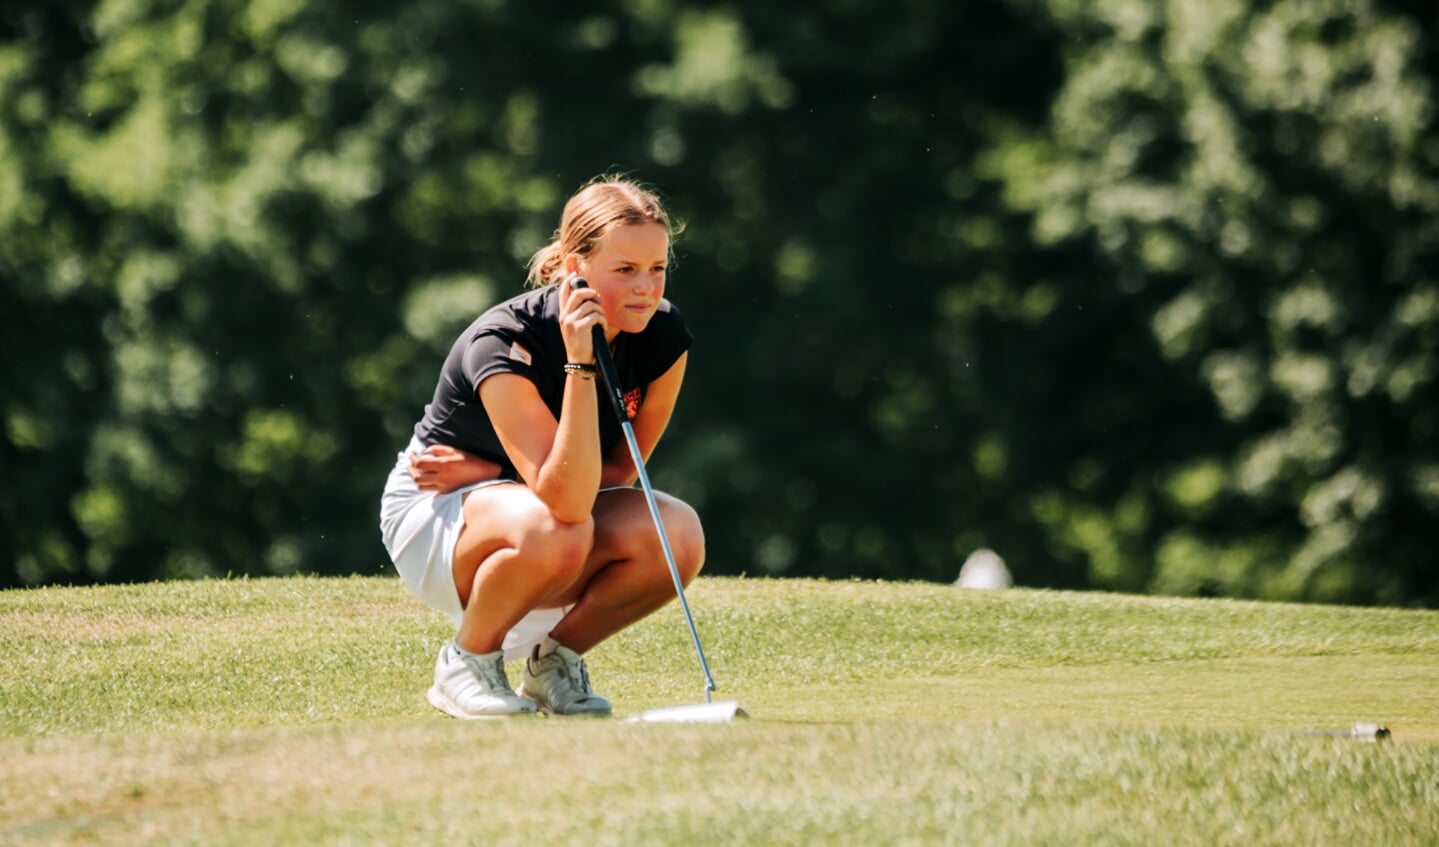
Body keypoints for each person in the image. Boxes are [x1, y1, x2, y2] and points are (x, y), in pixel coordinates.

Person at [378, 175, 704, 718]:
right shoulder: (505, 340)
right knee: (558, 526)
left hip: (523, 499)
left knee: (679, 535)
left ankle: (552, 663)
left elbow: (621, 472)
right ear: (576, 269)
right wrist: (579, 361)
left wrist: (490, 468)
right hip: (438, 504)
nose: (646, 288)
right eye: (625, 270)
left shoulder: (664, 336)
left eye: (657, 268)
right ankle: (466, 661)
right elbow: (567, 505)